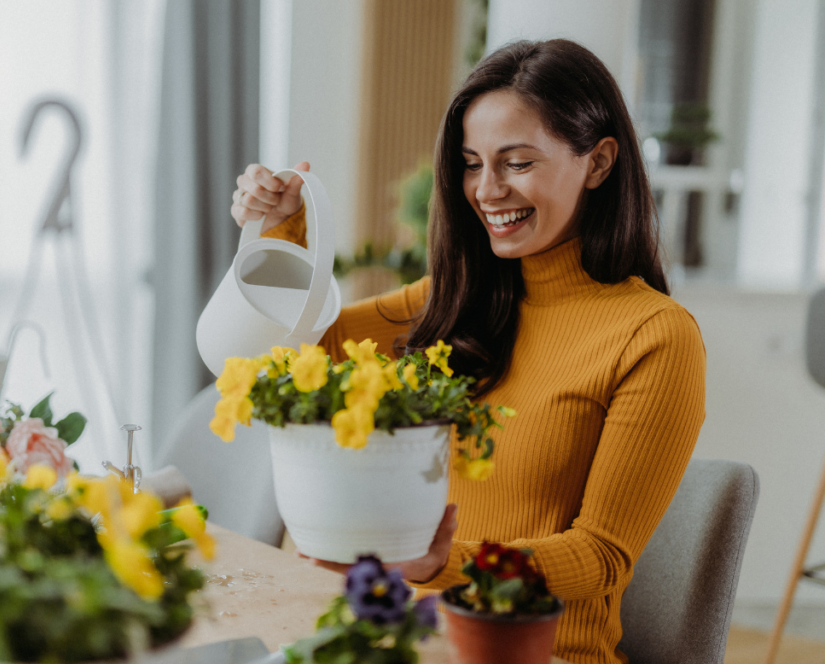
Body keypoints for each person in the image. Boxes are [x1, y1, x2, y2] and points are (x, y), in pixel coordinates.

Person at [230, 39, 705, 664]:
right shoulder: (454, 301)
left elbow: (600, 557)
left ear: (599, 162)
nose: (486, 190)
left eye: (517, 162)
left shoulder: (654, 336)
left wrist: (442, 565)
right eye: (472, 163)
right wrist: (283, 231)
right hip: (398, 639)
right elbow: (296, 351)